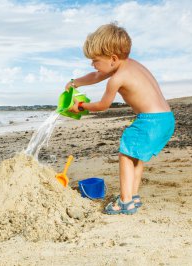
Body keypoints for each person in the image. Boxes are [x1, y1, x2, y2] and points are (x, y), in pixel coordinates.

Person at [67, 23, 175, 215]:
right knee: (136, 155)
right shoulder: (132, 64)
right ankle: (133, 196)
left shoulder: (117, 79)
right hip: (165, 119)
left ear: (113, 58)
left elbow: (103, 105)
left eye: (95, 60)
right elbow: (96, 75)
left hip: (150, 121)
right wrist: (74, 83)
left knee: (125, 154)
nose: (92, 64)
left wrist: (80, 106)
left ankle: (125, 203)